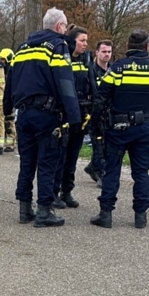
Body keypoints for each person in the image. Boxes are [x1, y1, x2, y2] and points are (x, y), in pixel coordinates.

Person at [2, 8, 80, 227]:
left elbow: (11, 80)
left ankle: (24, 209)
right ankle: (44, 211)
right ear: (59, 27)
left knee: (27, 163)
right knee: (47, 162)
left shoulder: (22, 48)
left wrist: (7, 107)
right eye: (65, 26)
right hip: (46, 114)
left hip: (23, 115)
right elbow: (65, 82)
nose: (65, 31)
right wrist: (74, 117)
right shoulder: (58, 46)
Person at [90, 28, 149, 230]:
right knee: (141, 172)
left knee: (112, 170)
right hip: (144, 127)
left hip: (118, 127)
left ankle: (105, 214)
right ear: (147, 46)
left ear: (127, 47)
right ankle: (140, 216)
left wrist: (96, 124)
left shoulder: (117, 68)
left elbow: (101, 98)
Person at [54, 26, 95, 209]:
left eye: (87, 41)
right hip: (65, 115)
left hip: (81, 115)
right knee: (60, 155)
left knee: (72, 156)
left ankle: (67, 191)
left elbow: (92, 84)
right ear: (72, 41)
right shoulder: (63, 59)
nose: (85, 44)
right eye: (82, 40)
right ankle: (53, 192)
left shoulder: (87, 60)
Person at [84, 40, 113, 186]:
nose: (106, 54)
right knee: (98, 144)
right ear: (97, 52)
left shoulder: (113, 70)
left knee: (107, 144)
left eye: (109, 52)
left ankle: (92, 167)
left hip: (109, 113)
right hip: (94, 113)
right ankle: (101, 173)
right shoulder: (91, 70)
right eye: (104, 51)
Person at [0, 48, 17, 152]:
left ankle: (11, 145)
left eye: (3, 59)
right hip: (2, 99)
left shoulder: (12, 71)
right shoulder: (2, 71)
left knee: (9, 122)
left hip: (10, 100)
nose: (2, 62)